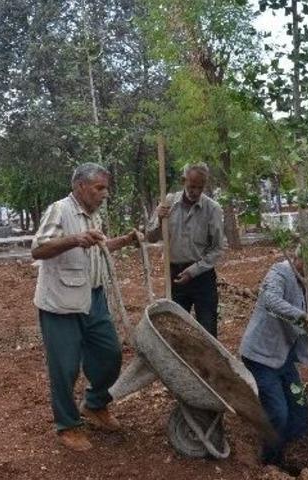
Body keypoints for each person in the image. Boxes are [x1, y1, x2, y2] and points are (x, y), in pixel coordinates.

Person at [32, 162, 141, 452]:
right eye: (99, 188)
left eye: (106, 188)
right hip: (60, 304)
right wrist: (74, 239)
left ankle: (94, 405)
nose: (105, 194)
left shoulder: (94, 216)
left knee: (110, 354)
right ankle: (67, 426)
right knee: (65, 368)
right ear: (81, 186)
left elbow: (99, 248)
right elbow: (39, 248)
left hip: (93, 298)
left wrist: (128, 240)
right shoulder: (60, 210)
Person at [239, 254, 308, 466]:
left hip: (285, 359)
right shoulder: (279, 273)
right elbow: (271, 301)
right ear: (296, 258)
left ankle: (289, 453)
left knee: (300, 413)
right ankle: (271, 463)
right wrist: (302, 317)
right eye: (307, 262)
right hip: (261, 357)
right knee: (278, 413)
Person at [147, 163, 225, 337]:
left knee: (208, 328)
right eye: (191, 186)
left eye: (200, 187)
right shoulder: (167, 203)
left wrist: (194, 270)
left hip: (202, 276)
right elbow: (151, 237)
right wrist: (158, 220)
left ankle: (207, 363)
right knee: (176, 328)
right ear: (184, 181)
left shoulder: (213, 209)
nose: (195, 191)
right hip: (174, 274)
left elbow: (218, 249)